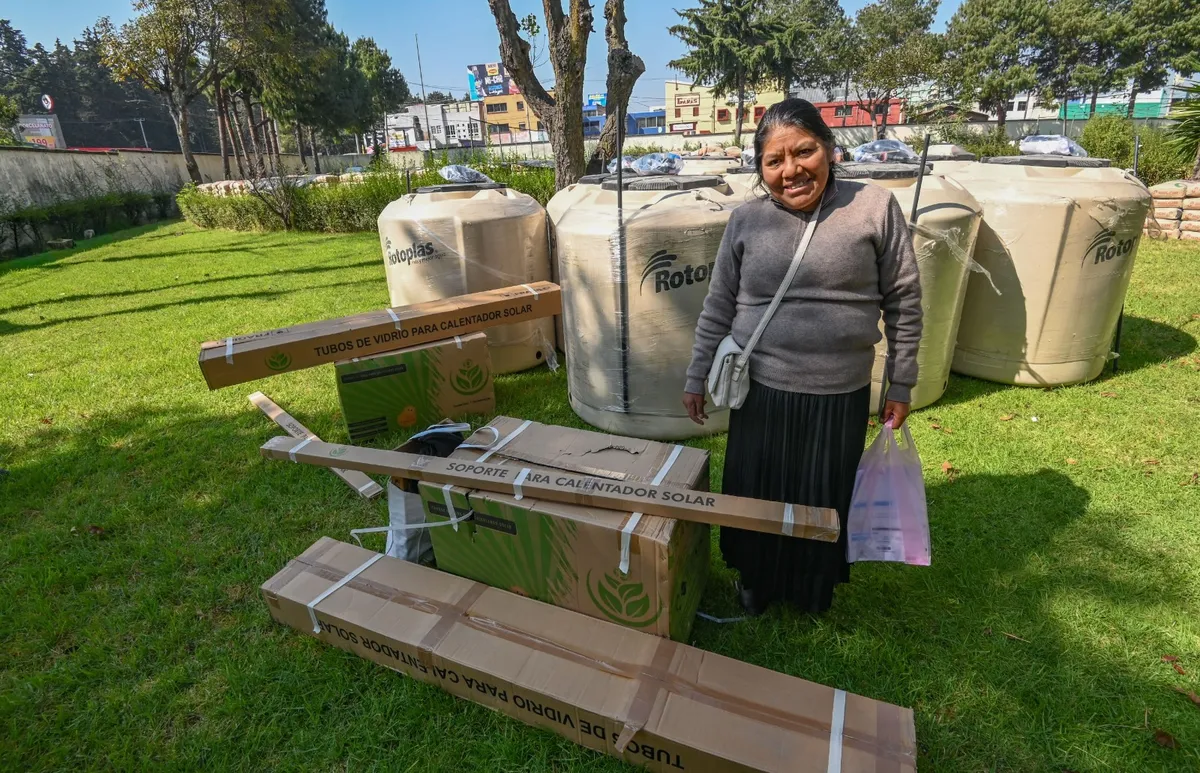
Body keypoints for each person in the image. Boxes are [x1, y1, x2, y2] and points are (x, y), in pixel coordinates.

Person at [683, 99, 922, 615]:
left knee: (822, 494)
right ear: (761, 169)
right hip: (761, 390)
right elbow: (719, 303)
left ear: (830, 150)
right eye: (774, 161)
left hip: (837, 392)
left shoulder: (874, 207)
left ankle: (813, 590)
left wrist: (901, 382)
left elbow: (904, 299)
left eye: (804, 152)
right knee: (758, 492)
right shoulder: (746, 221)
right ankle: (756, 581)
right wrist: (697, 373)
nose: (791, 170)